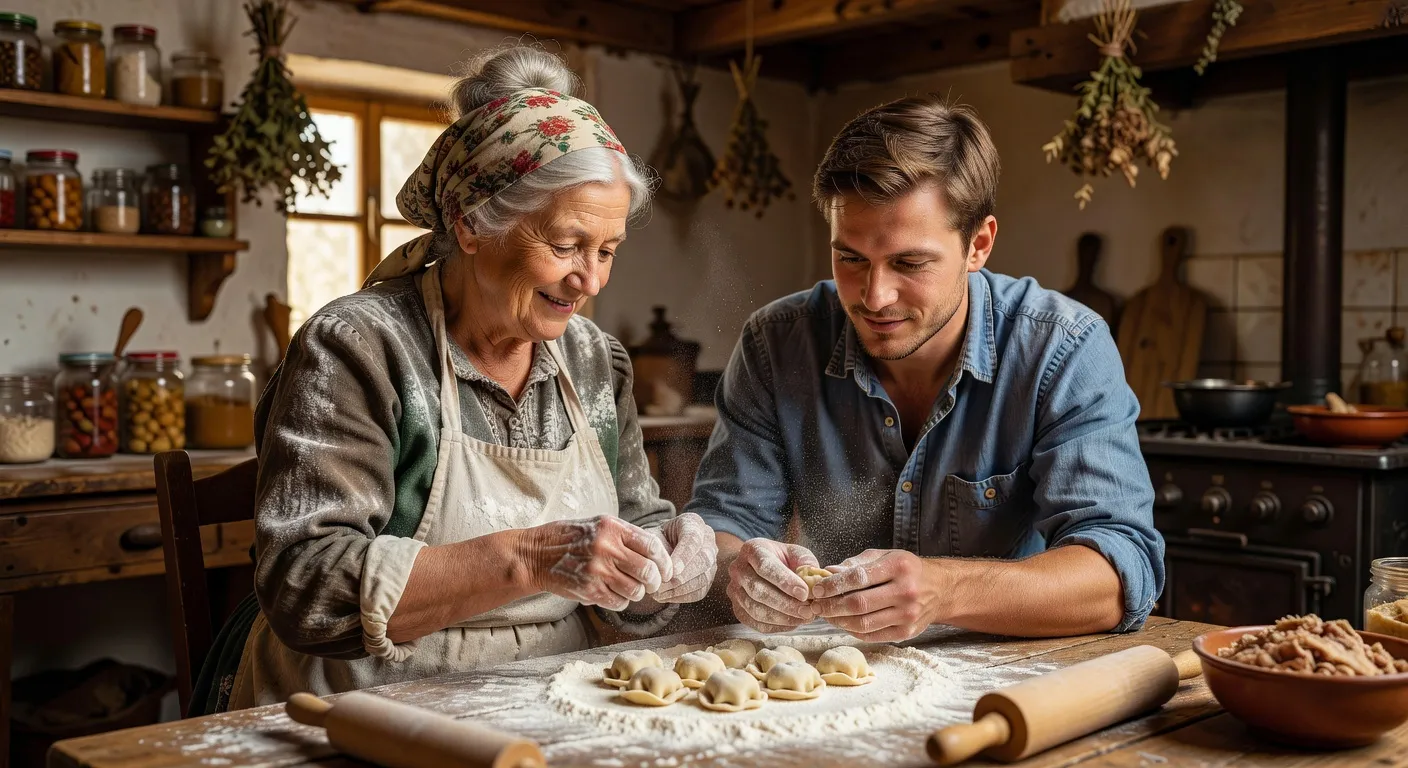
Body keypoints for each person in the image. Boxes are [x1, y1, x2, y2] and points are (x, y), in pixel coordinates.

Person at [198, 46, 718, 714]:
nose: (591, 280)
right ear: (472, 224)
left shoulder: (593, 360)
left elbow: (632, 537)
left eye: (607, 250)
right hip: (368, 705)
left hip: (554, 699)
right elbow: (309, 588)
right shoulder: (360, 348)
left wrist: (669, 565)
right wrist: (531, 559)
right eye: (566, 246)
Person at [685, 95, 1163, 643]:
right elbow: (723, 528)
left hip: (1015, 681)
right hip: (841, 676)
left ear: (978, 244)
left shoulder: (1064, 348)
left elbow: (1120, 573)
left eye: (910, 263)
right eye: (851, 259)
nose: (875, 296)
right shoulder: (776, 344)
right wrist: (740, 569)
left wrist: (946, 590)